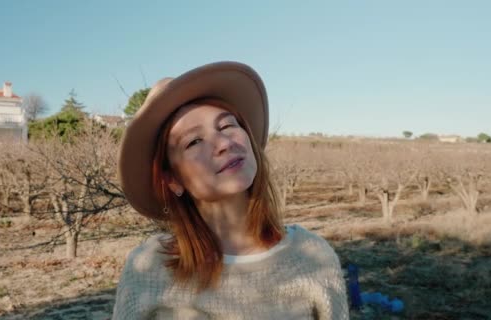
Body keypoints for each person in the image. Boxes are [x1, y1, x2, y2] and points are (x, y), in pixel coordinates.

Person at [113, 61, 349, 319]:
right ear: (172, 180)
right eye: (194, 141)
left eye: (227, 126)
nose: (224, 143)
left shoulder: (311, 256)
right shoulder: (150, 267)